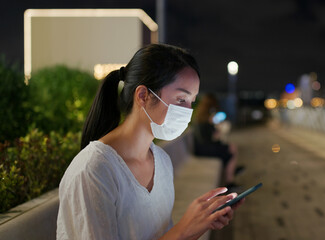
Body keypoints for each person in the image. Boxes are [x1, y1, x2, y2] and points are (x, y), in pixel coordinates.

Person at [57, 44, 244, 240]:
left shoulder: (162, 161)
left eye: (192, 101)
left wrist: (197, 226)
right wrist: (183, 230)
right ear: (143, 96)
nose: (188, 111)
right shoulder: (93, 171)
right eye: (181, 99)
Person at [192, 93, 244, 189]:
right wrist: (218, 130)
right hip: (204, 149)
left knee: (230, 148)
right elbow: (210, 138)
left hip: (202, 147)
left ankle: (231, 172)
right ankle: (229, 181)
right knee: (231, 152)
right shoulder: (206, 119)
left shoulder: (201, 117)